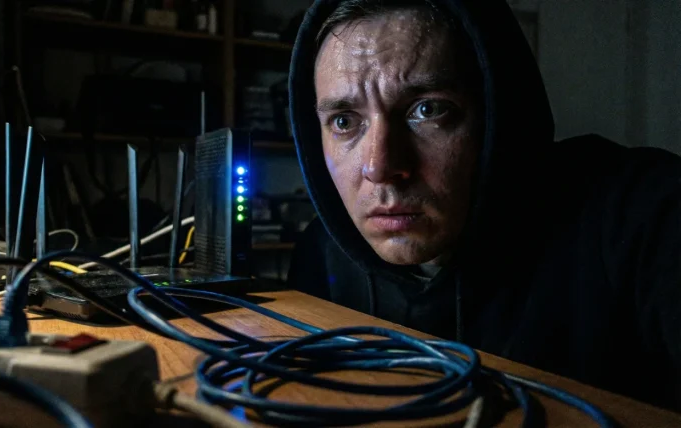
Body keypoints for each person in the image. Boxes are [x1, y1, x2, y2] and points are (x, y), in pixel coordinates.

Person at [286, 0, 681, 411]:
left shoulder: (641, 212)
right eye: (345, 121)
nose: (380, 167)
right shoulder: (321, 253)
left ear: (500, 113)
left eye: (427, 109)